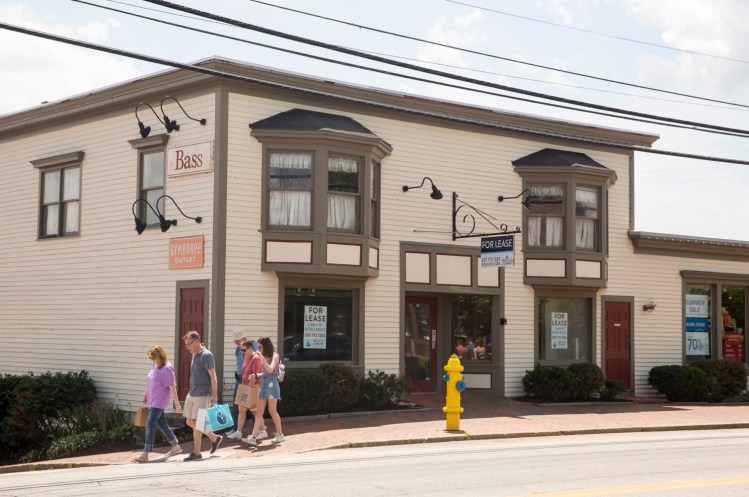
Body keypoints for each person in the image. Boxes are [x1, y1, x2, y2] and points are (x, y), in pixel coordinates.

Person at [133, 345, 182, 463]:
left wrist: (177, 404)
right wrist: (146, 394)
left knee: (150, 424)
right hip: (153, 398)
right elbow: (150, 380)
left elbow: (172, 387)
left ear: (161, 356)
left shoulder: (167, 368)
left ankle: (145, 453)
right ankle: (176, 446)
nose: (152, 361)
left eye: (154, 359)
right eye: (151, 359)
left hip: (160, 400)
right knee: (162, 424)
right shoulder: (155, 365)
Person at [182, 330, 223, 461]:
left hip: (202, 393)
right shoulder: (194, 354)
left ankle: (197, 452)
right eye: (186, 345)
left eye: (188, 344)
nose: (187, 347)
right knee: (189, 421)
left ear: (197, 341)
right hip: (192, 392)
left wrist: (214, 394)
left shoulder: (206, 355)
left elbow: (213, 376)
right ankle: (214, 438)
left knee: (198, 422)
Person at [242, 336, 284, 446]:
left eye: (260, 346)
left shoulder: (275, 356)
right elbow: (265, 373)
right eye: (258, 346)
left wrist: (262, 358)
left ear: (266, 346)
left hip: (272, 384)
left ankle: (280, 434)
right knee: (259, 412)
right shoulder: (263, 356)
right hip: (263, 384)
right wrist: (256, 375)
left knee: (272, 411)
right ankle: (253, 437)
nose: (258, 348)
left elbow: (270, 370)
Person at [226, 339, 268, 440]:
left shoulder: (256, 358)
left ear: (250, 348)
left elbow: (255, 375)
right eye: (241, 350)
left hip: (253, 387)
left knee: (254, 410)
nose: (242, 352)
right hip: (245, 385)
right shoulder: (246, 356)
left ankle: (263, 431)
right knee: (241, 409)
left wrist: (249, 388)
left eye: (244, 350)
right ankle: (239, 432)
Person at [226, 328, 251, 438]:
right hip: (240, 378)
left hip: (247, 379)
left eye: (237, 340)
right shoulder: (238, 348)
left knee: (252, 405)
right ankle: (236, 429)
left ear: (243, 338)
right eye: (235, 340)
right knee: (237, 404)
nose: (235, 342)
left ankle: (260, 429)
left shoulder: (250, 346)